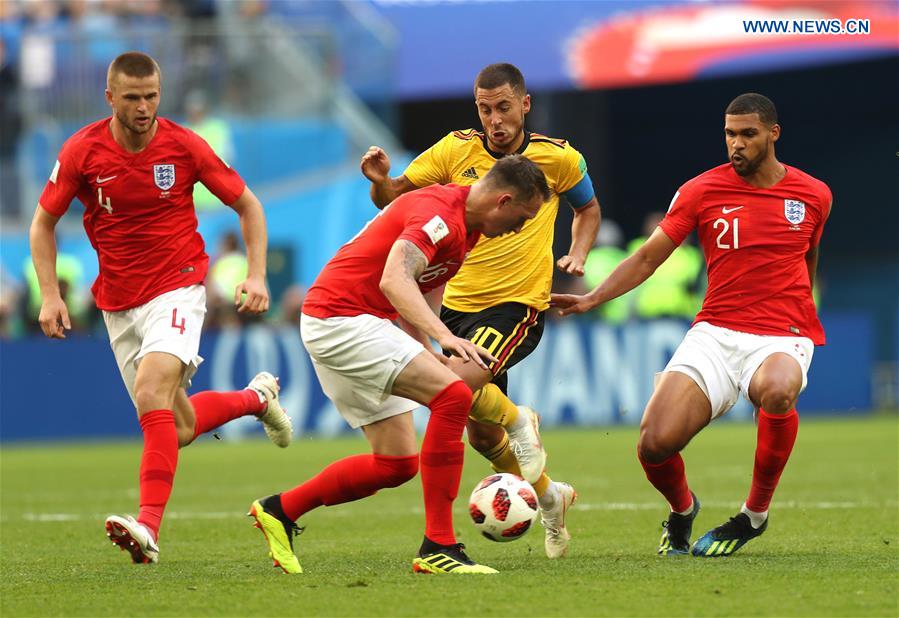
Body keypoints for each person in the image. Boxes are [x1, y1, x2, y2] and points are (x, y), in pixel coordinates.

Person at [29, 51, 293, 565]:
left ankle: (147, 526)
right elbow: (42, 223)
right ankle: (256, 399)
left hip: (178, 286)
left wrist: (257, 274)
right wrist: (51, 293)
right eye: (132, 98)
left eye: (151, 95)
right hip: (118, 302)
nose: (144, 107)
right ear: (110, 98)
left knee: (152, 390)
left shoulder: (185, 146)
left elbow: (249, 205)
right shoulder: (83, 151)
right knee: (179, 426)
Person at [551, 93, 831, 557]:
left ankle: (753, 515)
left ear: (773, 134)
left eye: (747, 134)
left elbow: (808, 258)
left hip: (783, 334)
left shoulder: (814, 194)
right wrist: (594, 298)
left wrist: (799, 318)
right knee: (653, 444)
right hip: (716, 332)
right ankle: (682, 510)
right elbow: (647, 257)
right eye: (729, 134)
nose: (736, 144)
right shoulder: (701, 190)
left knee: (778, 389)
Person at [249, 154, 551, 575]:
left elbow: (421, 294)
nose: (522, 228)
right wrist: (445, 337)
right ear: (503, 201)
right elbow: (395, 279)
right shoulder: (439, 213)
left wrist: (430, 350)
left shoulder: (469, 230)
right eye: (524, 216)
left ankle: (280, 510)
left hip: (343, 320)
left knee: (395, 462)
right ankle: (438, 547)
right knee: (452, 397)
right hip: (344, 319)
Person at [360, 63, 600, 558]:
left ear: (525, 104)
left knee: (451, 388)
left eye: (504, 108)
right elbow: (394, 200)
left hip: (516, 306)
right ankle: (552, 497)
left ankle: (517, 423)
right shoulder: (454, 150)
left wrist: (578, 253)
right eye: (485, 109)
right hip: (452, 308)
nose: (495, 119)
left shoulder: (557, 158)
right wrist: (380, 181)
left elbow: (588, 208)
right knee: (481, 434)